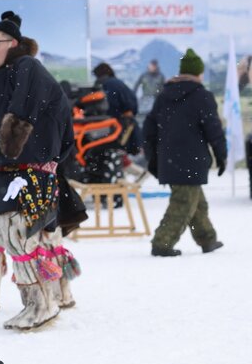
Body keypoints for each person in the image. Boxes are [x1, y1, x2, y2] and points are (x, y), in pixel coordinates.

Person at [0, 11, 79, 331]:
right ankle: (22, 296)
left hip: (32, 167)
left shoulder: (28, 67)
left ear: (13, 43)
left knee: (20, 233)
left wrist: (14, 141)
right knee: (8, 232)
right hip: (11, 169)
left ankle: (43, 302)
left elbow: (31, 108)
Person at [143, 48, 226, 257]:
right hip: (192, 159)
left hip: (169, 158)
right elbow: (213, 129)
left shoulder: (164, 95)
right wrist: (221, 154)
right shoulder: (202, 96)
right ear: (199, 74)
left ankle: (207, 239)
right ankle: (162, 242)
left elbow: (149, 127)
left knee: (196, 202)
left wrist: (153, 156)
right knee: (183, 203)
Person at [93, 62, 142, 154]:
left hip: (113, 127)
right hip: (125, 126)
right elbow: (132, 104)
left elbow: (109, 107)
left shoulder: (104, 85)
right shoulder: (118, 83)